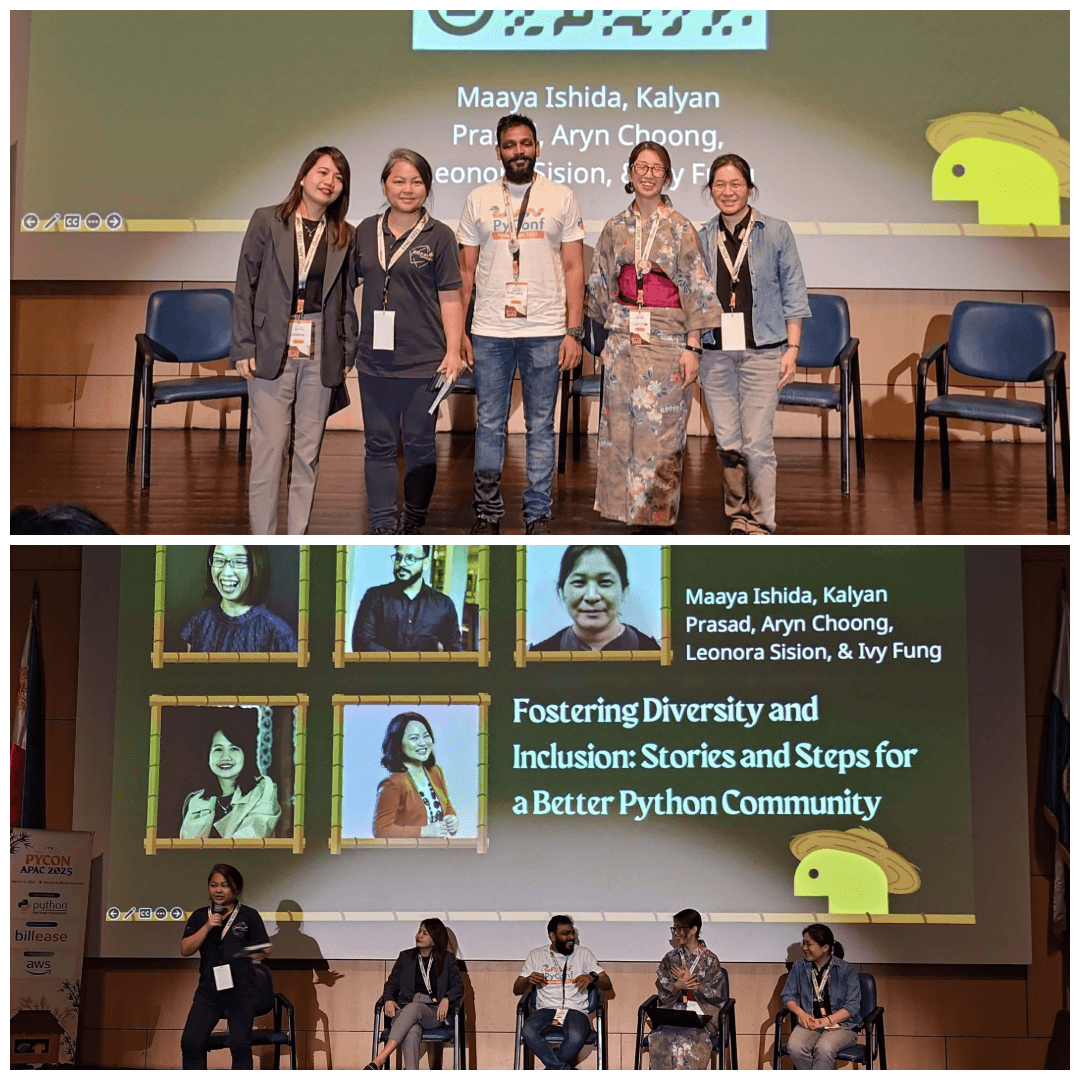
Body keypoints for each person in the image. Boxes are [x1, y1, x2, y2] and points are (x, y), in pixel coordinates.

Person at [586, 141, 724, 534]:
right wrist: (607, 328)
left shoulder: (681, 228)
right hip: (623, 341)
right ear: (630, 173)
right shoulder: (614, 227)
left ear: (667, 176)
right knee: (620, 432)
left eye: (656, 168)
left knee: (662, 436)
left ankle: (657, 519)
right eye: (640, 167)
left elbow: (696, 289)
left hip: (668, 342)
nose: (648, 174)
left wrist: (693, 347)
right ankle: (626, 514)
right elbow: (600, 286)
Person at [458, 113, 586, 535]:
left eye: (525, 143)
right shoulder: (478, 198)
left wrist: (573, 329)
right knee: (490, 422)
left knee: (540, 426)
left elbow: (573, 267)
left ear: (537, 147)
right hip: (490, 330)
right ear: (498, 151)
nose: (519, 151)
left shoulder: (561, 196)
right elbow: (464, 273)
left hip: (546, 330)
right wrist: (459, 331)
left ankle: (537, 513)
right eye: (510, 145)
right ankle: (487, 513)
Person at [231, 146, 358, 535]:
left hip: (321, 345)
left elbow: (347, 297)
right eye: (322, 173)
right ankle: (263, 539)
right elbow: (244, 286)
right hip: (272, 341)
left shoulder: (343, 234)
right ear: (303, 177)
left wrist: (347, 348)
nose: (329, 182)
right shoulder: (267, 220)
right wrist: (244, 346)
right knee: (269, 451)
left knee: (308, 453)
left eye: (338, 178)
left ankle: (296, 537)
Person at [698, 153, 811, 535]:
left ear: (749, 187)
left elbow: (794, 293)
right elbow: (695, 301)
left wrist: (792, 350)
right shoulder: (700, 237)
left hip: (763, 351)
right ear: (710, 189)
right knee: (728, 441)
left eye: (735, 184)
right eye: (719, 185)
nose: (727, 192)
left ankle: (762, 520)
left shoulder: (776, 231)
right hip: (715, 354)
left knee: (758, 443)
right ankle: (738, 516)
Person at [355, 149, 465, 534]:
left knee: (420, 446)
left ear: (428, 187)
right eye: (399, 180)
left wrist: (453, 351)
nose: (408, 189)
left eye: (417, 181)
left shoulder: (441, 235)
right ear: (385, 185)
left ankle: (413, 522)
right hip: (374, 361)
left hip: (425, 363)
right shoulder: (365, 231)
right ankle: (383, 525)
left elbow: (451, 296)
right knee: (379, 445)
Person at [179, 863, 271, 1069]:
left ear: (236, 889)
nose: (218, 890)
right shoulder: (201, 916)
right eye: (214, 885)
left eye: (225, 885)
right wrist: (207, 926)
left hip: (242, 992)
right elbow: (185, 949)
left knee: (240, 1046)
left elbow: (265, 950)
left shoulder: (249, 915)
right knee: (191, 1043)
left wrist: (246, 952)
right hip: (209, 992)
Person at [515, 915, 612, 1070]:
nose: (571, 937)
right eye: (565, 934)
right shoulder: (537, 955)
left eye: (572, 933)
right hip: (546, 1009)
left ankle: (552, 1070)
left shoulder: (583, 953)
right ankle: (563, 1070)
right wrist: (527, 980)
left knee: (576, 1036)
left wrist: (592, 976)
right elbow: (516, 989)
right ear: (552, 936)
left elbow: (607, 984)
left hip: (575, 1010)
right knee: (528, 1031)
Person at [366, 918, 464, 1070]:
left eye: (425, 933)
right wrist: (389, 999)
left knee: (415, 1008)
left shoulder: (447, 959)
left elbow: (458, 986)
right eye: (419, 931)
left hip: (432, 1012)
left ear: (435, 939)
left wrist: (447, 998)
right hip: (404, 1010)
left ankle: (380, 1059)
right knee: (412, 1030)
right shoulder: (406, 957)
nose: (419, 935)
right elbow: (391, 984)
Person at [530, 545, 660, 652]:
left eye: (605, 582)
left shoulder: (656, 655)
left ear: (624, 591)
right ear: (561, 591)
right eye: (579, 582)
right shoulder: (535, 658)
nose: (591, 596)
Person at [648, 908, 729, 1070]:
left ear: (693, 930)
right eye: (674, 928)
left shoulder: (710, 959)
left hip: (701, 1016)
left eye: (680, 928)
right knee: (661, 1038)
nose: (676, 933)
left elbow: (718, 994)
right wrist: (677, 986)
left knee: (685, 1041)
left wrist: (696, 986)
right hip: (675, 1013)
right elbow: (662, 989)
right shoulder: (671, 958)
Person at [181, 545, 297, 653]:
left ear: (256, 566)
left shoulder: (278, 633)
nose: (226, 573)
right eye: (219, 560)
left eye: (239, 562)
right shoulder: (198, 623)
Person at [180, 716, 281, 839]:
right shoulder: (196, 801)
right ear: (207, 756)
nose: (225, 757)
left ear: (246, 754)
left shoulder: (264, 790)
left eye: (234, 749)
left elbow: (253, 835)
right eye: (218, 749)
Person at [780, 923, 862, 1070]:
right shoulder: (799, 967)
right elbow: (788, 996)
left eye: (808, 944)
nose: (804, 948)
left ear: (825, 947)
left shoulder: (846, 970)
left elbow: (852, 1006)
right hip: (810, 1022)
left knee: (824, 1048)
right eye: (803, 943)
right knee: (795, 1047)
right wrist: (801, 1013)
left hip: (841, 1026)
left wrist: (826, 1021)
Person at [351, 545, 462, 652]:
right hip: (383, 671)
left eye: (410, 558)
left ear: (425, 563)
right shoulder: (375, 596)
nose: (402, 564)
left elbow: (454, 650)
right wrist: (401, 665)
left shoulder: (444, 604)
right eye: (399, 557)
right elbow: (362, 643)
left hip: (425, 671)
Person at [373, 712, 459, 838]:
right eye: (414, 738)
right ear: (398, 744)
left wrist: (451, 818)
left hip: (439, 853)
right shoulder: (392, 784)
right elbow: (381, 830)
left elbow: (446, 804)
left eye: (426, 736)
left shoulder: (435, 772)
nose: (423, 743)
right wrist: (423, 832)